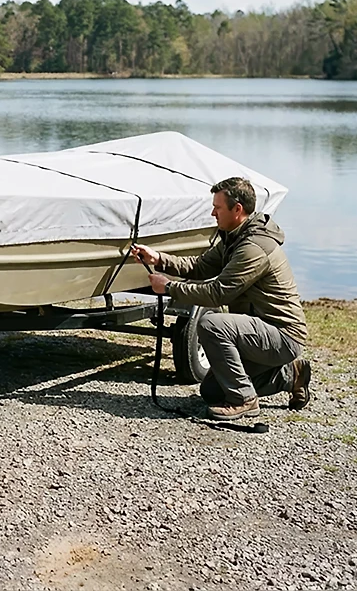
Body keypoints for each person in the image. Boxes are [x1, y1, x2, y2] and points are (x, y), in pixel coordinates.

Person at [131, 177, 311, 422]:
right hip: (256, 331)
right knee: (212, 391)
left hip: (282, 335)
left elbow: (218, 293)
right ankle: (291, 375)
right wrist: (158, 259)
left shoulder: (253, 247)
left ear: (237, 209)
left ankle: (244, 400)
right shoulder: (234, 237)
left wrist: (170, 287)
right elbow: (200, 266)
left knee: (212, 323)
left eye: (217, 207)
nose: (212, 212)